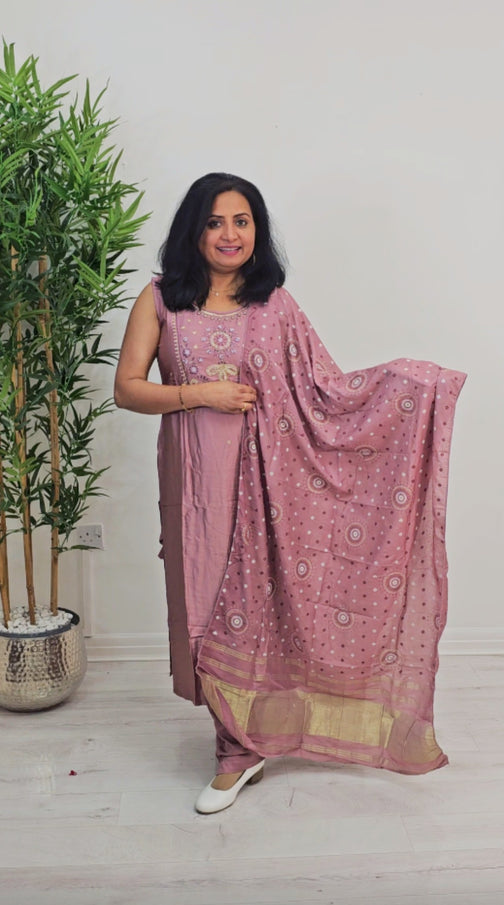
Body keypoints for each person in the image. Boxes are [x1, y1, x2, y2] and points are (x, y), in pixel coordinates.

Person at [115, 172, 466, 815]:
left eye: (242, 221)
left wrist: (413, 389)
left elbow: (325, 389)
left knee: (256, 607)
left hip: (269, 487)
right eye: (215, 222)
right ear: (194, 230)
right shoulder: (161, 299)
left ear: (257, 230)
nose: (229, 234)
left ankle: (239, 750)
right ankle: (238, 743)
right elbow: (127, 389)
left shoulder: (275, 305)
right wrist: (201, 393)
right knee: (203, 608)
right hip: (194, 483)